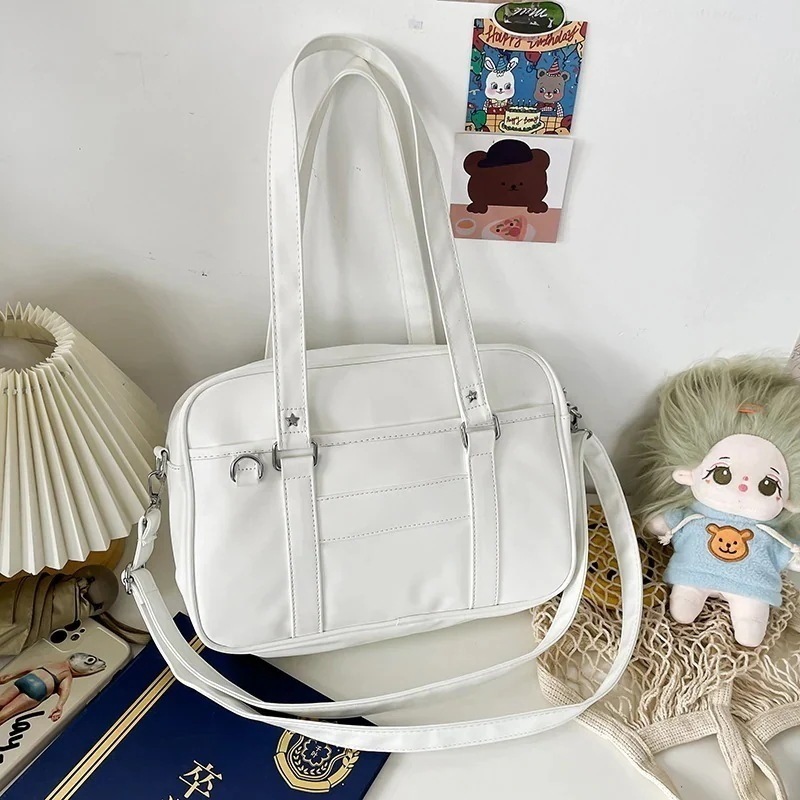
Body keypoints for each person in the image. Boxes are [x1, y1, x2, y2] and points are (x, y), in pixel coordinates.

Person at [0, 653, 106, 724]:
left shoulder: (63, 671)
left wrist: (59, 706)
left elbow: (64, 690)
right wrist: (11, 676)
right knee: (4, 709)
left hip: (30, 684)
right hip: (33, 687)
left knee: (4, 709)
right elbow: (64, 690)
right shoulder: (62, 671)